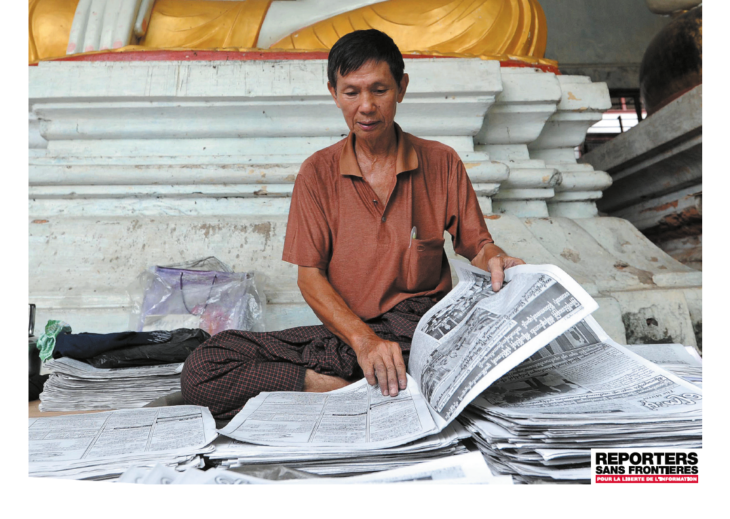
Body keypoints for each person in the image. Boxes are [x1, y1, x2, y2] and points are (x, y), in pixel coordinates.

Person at [181, 29, 525, 420]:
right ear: (333, 92)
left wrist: (495, 256)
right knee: (204, 366)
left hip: (420, 336)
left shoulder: (441, 162)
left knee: (503, 363)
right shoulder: (317, 173)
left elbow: (478, 247)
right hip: (348, 338)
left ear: (401, 88)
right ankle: (347, 391)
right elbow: (309, 277)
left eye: (379, 90)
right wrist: (364, 342)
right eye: (352, 92)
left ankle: (382, 385)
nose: (366, 106)